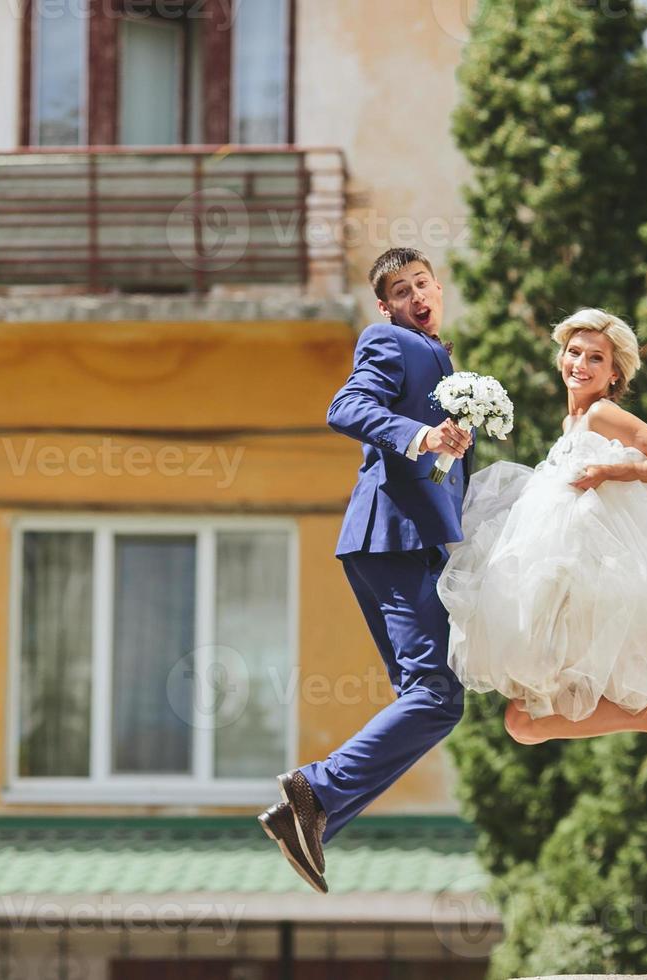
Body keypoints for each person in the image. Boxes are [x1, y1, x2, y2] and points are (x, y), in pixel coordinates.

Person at [258, 247, 474, 894]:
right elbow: (346, 407)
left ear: (439, 288)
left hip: (405, 544)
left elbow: (442, 476)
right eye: (401, 291)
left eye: (423, 284)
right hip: (394, 538)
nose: (416, 297)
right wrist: (421, 436)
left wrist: (448, 449)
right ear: (386, 307)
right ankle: (314, 789)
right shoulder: (389, 341)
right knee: (437, 695)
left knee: (429, 698)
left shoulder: (442, 359)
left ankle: (308, 815)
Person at [437, 308, 647, 781]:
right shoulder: (571, 428)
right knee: (521, 724)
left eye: (596, 358)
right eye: (574, 352)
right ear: (560, 358)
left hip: (591, 585)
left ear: (614, 375)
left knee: (523, 720)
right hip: (559, 586)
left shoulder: (602, 414)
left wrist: (617, 470)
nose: (581, 365)